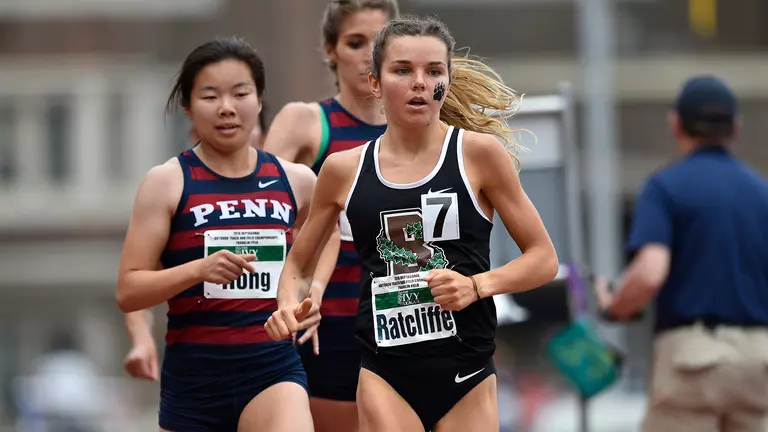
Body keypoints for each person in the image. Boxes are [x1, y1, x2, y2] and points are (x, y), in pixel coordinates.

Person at [265, 16, 559, 432]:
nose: (419, 82)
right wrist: (286, 306)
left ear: (448, 79)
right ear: (375, 82)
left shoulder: (478, 155)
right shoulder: (343, 169)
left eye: (433, 71)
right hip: (385, 372)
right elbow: (297, 265)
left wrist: (476, 285)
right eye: (402, 70)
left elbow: (544, 259)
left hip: (467, 370)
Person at [116, 37, 338, 432]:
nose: (227, 108)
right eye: (210, 96)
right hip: (195, 380)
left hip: (272, 368)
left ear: (258, 98)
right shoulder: (166, 182)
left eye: (240, 93)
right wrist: (197, 270)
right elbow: (129, 290)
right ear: (187, 107)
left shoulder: (297, 180)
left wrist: (311, 292)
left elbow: (329, 232)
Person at [594, 76, 768, 432]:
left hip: (694, 358)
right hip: (759, 359)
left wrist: (616, 305)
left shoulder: (665, 188)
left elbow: (649, 273)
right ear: (735, 127)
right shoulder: (762, 193)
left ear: (676, 125)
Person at [262, 1, 397, 430]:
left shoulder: (421, 129)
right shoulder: (307, 123)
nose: (366, 56)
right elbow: (260, 213)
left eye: (377, 43)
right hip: (326, 322)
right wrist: (298, 290)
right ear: (330, 50)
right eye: (354, 43)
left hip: (403, 318)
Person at [121, 104, 270, 383]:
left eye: (248, 126)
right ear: (195, 135)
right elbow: (138, 283)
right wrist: (142, 341)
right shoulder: (179, 196)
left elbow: (320, 247)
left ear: (261, 134)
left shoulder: (287, 192)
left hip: (278, 361)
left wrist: (314, 293)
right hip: (204, 367)